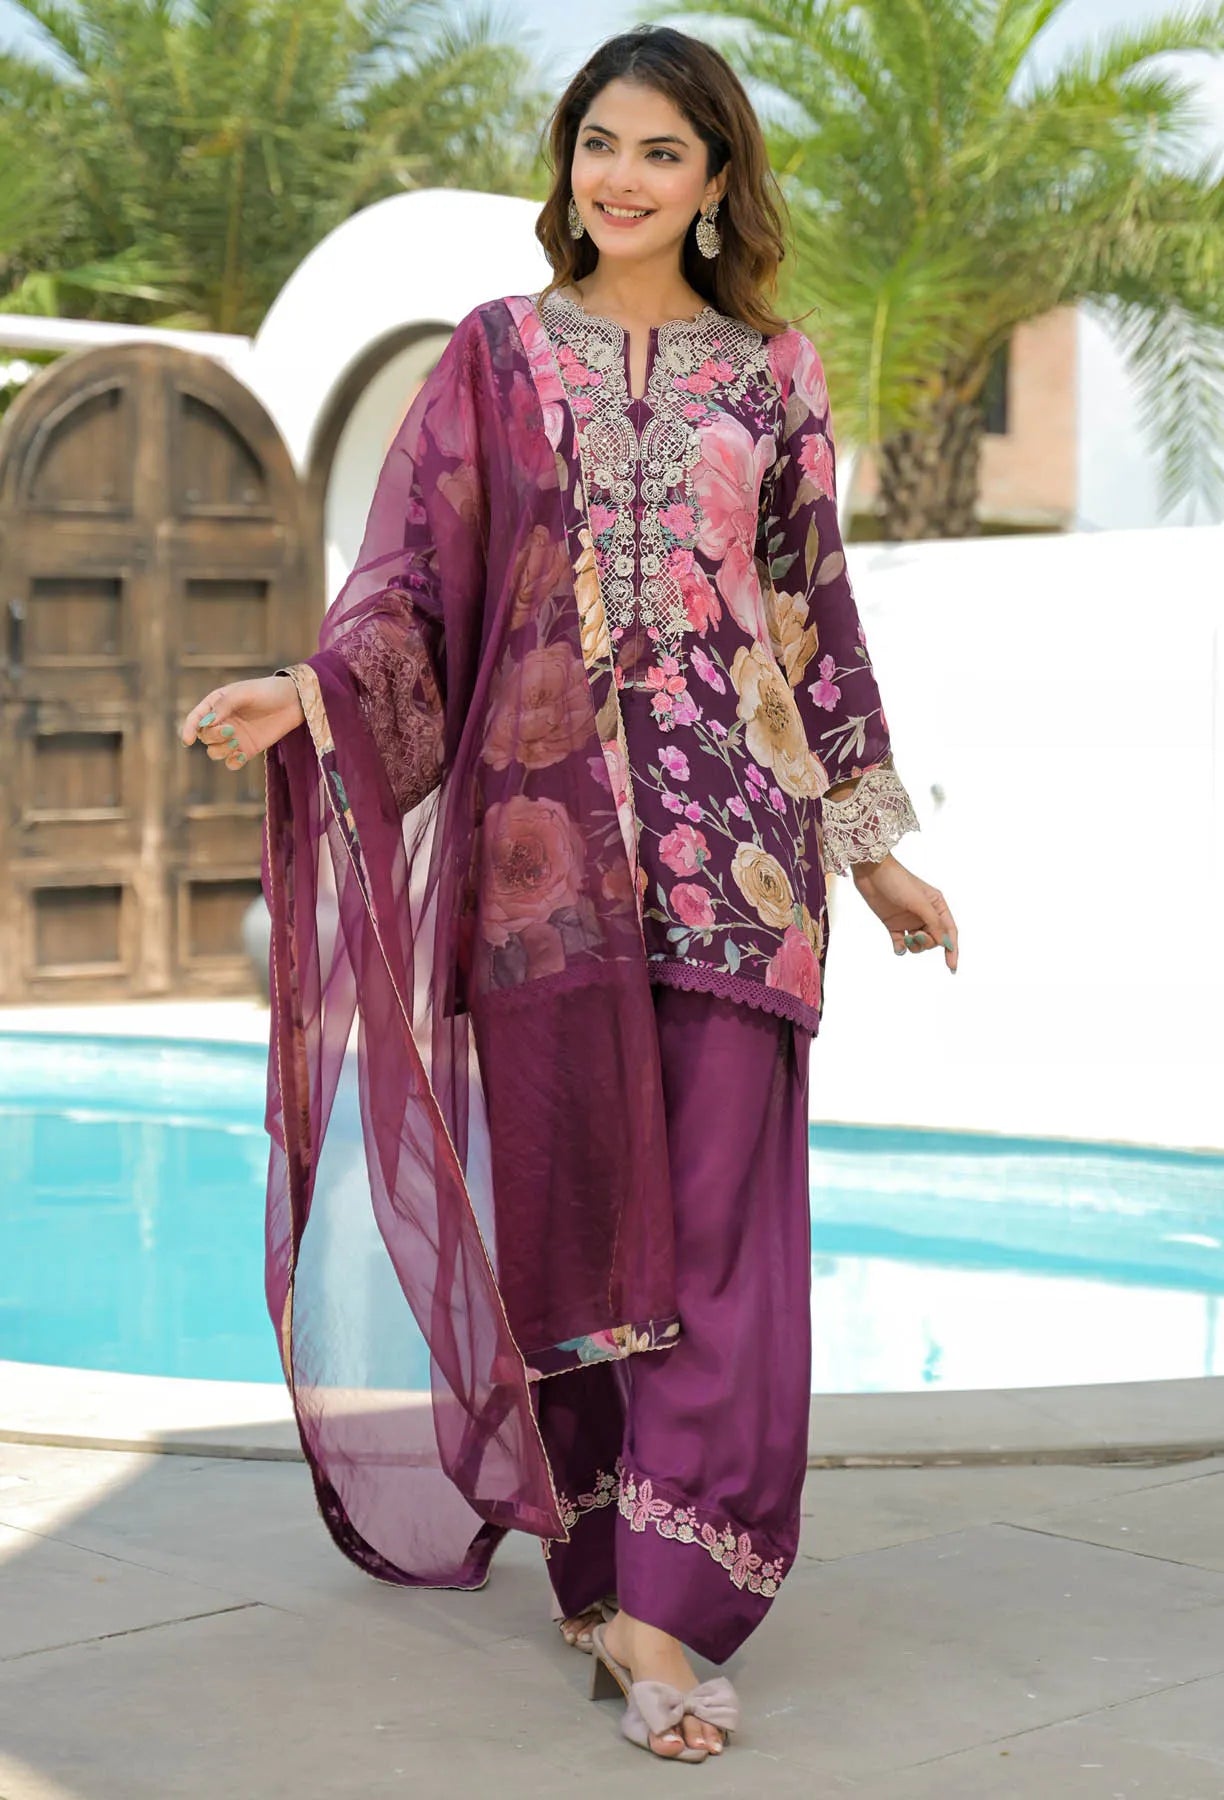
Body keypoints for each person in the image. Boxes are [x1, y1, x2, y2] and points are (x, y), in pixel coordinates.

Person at [180, 25, 958, 1766]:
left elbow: (816, 622)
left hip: (741, 864)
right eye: (599, 141)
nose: (621, 175)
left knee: (728, 1247)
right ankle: (607, 1578)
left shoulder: (773, 374)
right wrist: (309, 698)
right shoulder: (495, 358)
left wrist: (874, 847)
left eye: (661, 151)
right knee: (579, 1232)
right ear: (569, 161)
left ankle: (674, 1618)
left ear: (714, 181)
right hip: (546, 873)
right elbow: (410, 593)